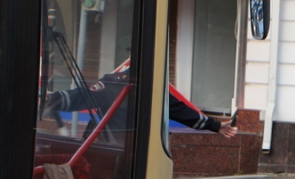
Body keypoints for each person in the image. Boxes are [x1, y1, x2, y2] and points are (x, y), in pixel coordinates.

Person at [46, 70, 238, 138]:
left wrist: (215, 126)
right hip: (114, 149)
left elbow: (177, 109)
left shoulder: (150, 84)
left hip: (141, 155)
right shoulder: (115, 83)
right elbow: (81, 95)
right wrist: (49, 99)